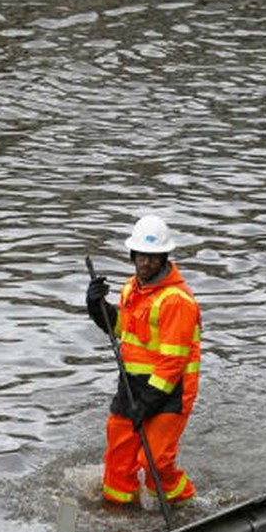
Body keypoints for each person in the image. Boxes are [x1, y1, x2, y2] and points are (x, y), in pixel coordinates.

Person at [86, 214, 202, 507]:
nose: (146, 263)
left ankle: (186, 508)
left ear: (164, 257)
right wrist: (97, 308)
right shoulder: (131, 289)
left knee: (155, 464)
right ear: (132, 255)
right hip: (132, 387)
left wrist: (147, 402)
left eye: (152, 257)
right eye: (141, 256)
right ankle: (118, 520)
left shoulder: (176, 301)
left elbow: (172, 364)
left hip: (170, 393)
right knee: (117, 463)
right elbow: (121, 330)